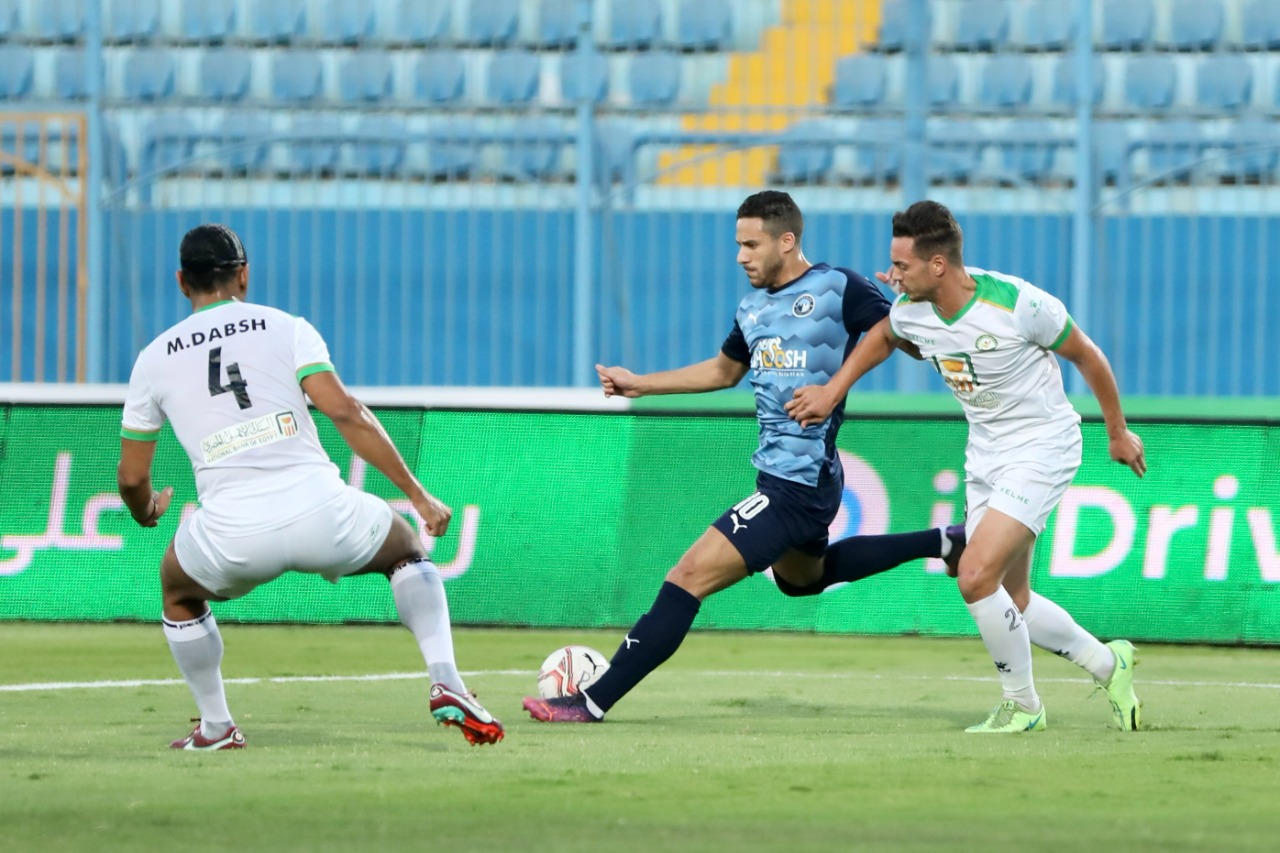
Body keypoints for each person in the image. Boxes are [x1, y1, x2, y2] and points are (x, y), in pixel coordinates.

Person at [523, 190, 965, 724]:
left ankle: (590, 701)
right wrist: (641, 384)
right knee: (803, 580)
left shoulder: (837, 287)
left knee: (688, 575)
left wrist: (899, 317)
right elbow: (723, 371)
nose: (740, 256)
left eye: (751, 245)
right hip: (788, 477)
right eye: (738, 244)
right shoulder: (752, 308)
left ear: (787, 240)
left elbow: (901, 339)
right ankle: (944, 541)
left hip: (797, 481)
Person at [117, 224, 504, 750]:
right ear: (243, 275)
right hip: (322, 513)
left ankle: (217, 726)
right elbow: (345, 412)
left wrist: (145, 509)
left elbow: (132, 477)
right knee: (405, 549)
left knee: (177, 590)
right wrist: (417, 495)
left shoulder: (152, 359)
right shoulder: (286, 328)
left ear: (182, 281)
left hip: (232, 534)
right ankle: (447, 680)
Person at [785, 200, 1146, 733]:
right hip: (986, 456)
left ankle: (1023, 706)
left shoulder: (1019, 304)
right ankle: (1109, 665)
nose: (893, 275)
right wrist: (832, 390)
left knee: (975, 575)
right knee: (1011, 599)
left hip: (1042, 446)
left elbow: (1087, 356)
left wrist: (1117, 432)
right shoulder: (911, 309)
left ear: (937, 264)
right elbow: (885, 336)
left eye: (902, 265)